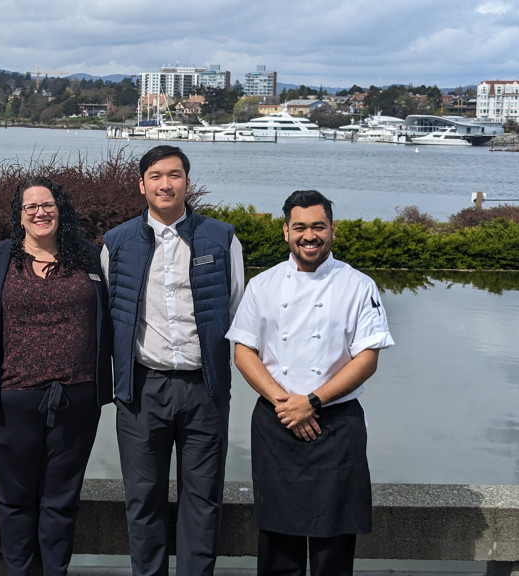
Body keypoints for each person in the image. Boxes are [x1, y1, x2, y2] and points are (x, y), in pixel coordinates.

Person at [226, 190, 394, 576]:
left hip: (336, 423)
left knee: (333, 544)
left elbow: (367, 358)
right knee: (277, 541)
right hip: (277, 422)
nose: (309, 235)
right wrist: (287, 404)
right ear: (285, 231)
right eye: (299, 227)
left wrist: (313, 401)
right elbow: (243, 352)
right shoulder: (263, 285)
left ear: (333, 230)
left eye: (318, 226)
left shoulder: (358, 285)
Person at [101, 145, 244, 576]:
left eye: (176, 175)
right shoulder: (117, 242)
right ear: (141, 184)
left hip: (206, 388)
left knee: (203, 499)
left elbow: (237, 311)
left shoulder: (221, 238)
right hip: (142, 389)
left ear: (187, 182)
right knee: (143, 499)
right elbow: (112, 315)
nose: (166, 184)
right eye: (157, 176)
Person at [0, 177, 113, 576]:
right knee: (15, 498)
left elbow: (123, 311)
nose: (40, 212)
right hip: (10, 399)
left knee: (62, 499)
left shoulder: (91, 257)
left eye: (47, 205)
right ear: (20, 215)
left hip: (78, 396)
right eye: (30, 207)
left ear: (60, 209)